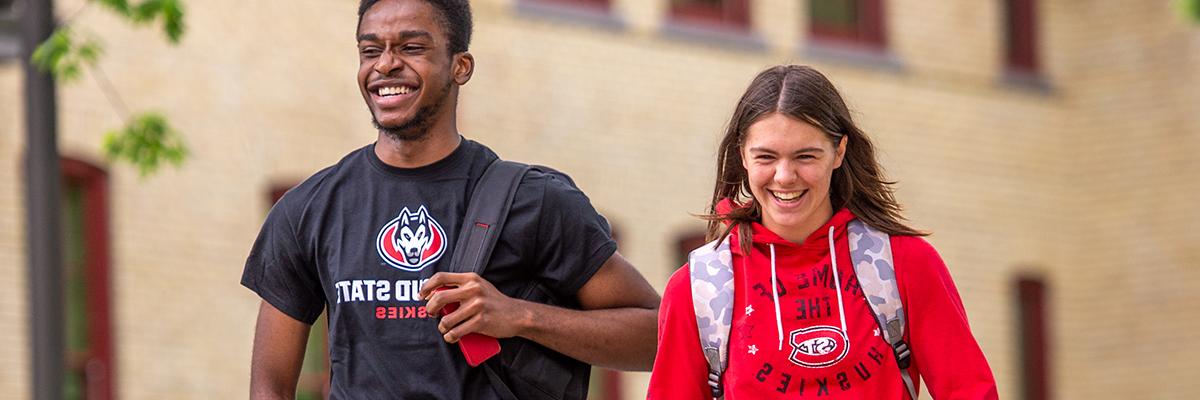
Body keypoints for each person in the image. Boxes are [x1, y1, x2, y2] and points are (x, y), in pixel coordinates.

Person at [240, 0, 660, 398]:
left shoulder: (535, 201)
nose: (385, 64)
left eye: (412, 47)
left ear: (460, 66)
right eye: (371, 51)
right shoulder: (310, 208)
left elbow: (658, 336)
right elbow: (269, 387)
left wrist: (521, 317)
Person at [646, 65, 997, 399]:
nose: (784, 176)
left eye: (806, 156)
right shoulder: (698, 288)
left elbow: (969, 391)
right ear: (743, 156)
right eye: (766, 157)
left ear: (839, 152)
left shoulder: (904, 263)